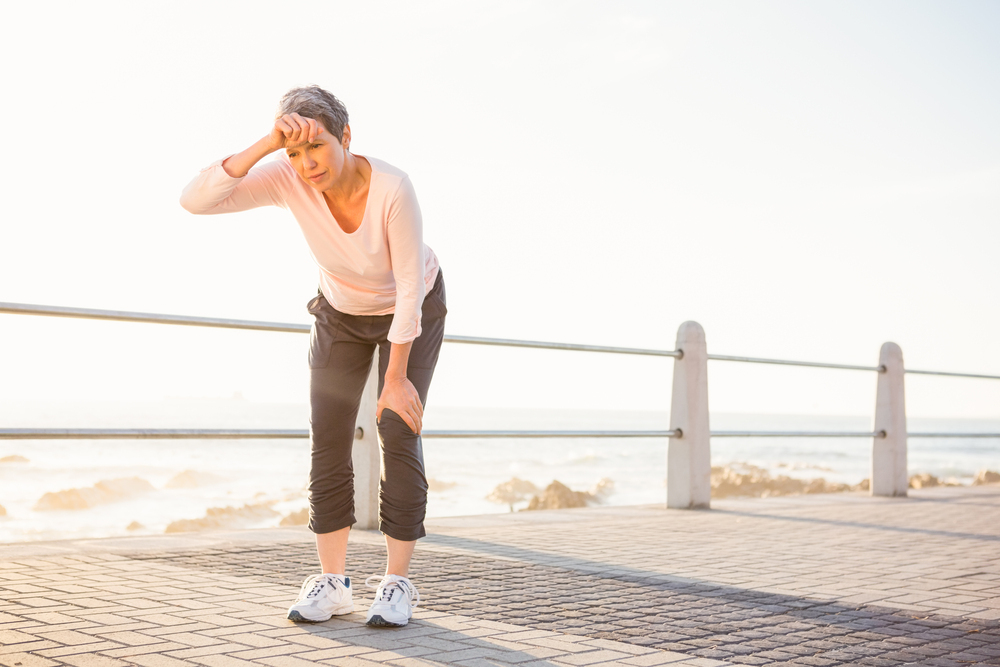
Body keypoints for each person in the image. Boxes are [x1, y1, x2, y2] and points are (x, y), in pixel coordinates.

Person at [179, 86, 445, 628]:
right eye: (293, 150)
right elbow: (195, 199)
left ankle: (397, 584)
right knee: (328, 436)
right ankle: (334, 583)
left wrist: (395, 378)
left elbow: (409, 287)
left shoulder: (393, 186)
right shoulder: (286, 174)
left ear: (346, 138)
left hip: (411, 305)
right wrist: (267, 144)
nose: (306, 164)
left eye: (316, 146)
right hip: (340, 313)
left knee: (398, 427)